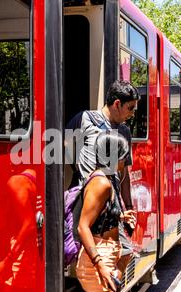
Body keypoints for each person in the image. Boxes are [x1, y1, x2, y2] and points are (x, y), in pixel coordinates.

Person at [65, 80, 139, 281]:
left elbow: (124, 176)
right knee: (90, 255)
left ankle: (106, 290)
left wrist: (128, 207)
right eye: (130, 108)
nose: (132, 113)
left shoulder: (124, 131)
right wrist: (79, 168)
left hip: (111, 201)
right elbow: (63, 144)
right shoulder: (85, 119)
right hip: (88, 197)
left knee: (123, 251)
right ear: (117, 104)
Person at [76, 131, 129, 292]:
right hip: (99, 259)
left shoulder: (103, 178)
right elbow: (83, 226)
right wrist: (100, 265)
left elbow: (98, 213)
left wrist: (119, 216)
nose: (124, 162)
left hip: (106, 255)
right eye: (123, 157)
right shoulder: (101, 183)